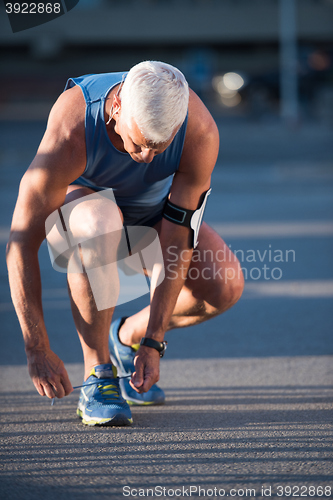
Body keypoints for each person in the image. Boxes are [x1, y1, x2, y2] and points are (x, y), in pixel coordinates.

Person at [6, 61, 244, 426]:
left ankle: (124, 337)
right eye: (137, 142)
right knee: (100, 221)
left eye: (158, 147)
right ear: (116, 107)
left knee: (224, 285)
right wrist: (36, 346)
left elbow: (177, 239)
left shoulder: (199, 132)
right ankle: (98, 374)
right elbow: (22, 244)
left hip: (149, 218)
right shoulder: (72, 126)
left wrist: (152, 341)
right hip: (85, 215)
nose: (146, 157)